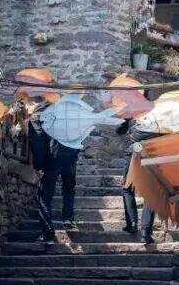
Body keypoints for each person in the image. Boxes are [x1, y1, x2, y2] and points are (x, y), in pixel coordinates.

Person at [36, 94, 122, 231]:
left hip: (54, 157)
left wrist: (40, 163)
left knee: (47, 193)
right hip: (70, 156)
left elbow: (43, 138)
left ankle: (48, 230)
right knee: (68, 188)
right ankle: (68, 219)